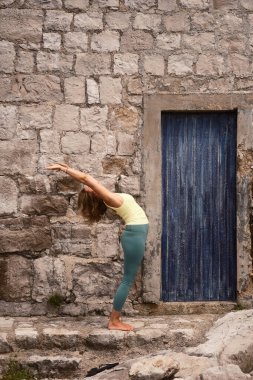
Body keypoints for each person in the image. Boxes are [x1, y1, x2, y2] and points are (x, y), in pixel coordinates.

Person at [46, 163, 149, 331]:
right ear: (93, 193)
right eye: (87, 187)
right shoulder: (109, 198)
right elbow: (85, 177)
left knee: (128, 279)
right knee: (127, 280)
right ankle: (114, 321)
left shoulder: (109, 196)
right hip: (134, 236)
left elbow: (85, 177)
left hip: (135, 234)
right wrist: (64, 170)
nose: (87, 185)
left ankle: (115, 319)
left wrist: (67, 166)